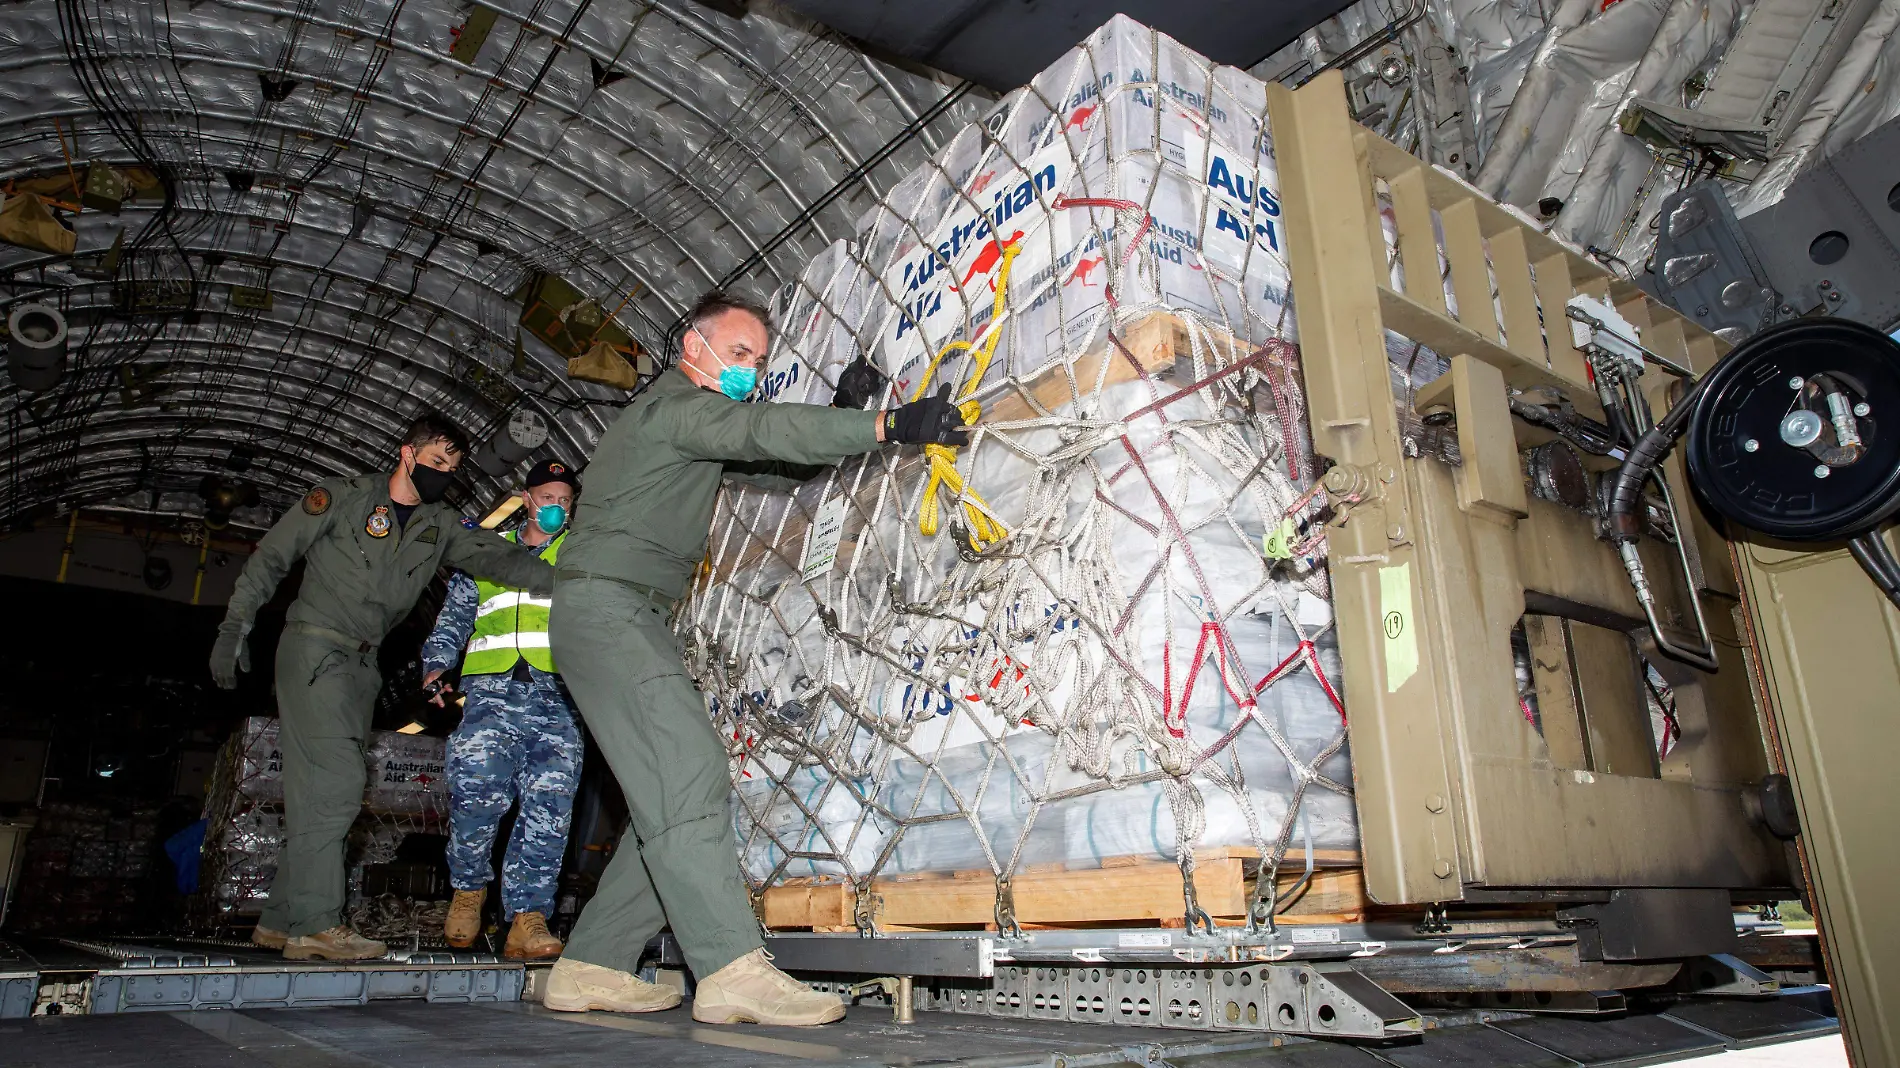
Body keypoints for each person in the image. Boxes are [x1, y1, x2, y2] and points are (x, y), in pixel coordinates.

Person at [540, 291, 967, 1025]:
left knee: (668, 799)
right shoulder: (673, 407)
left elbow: (777, 467)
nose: (751, 370)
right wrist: (889, 423)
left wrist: (838, 410)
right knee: (690, 773)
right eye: (739, 354)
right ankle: (730, 971)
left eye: (759, 361)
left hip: (627, 611)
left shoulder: (695, 426)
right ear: (691, 347)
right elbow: (763, 426)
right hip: (604, 607)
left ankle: (592, 964)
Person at [210, 414, 557, 962]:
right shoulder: (342, 499)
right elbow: (273, 556)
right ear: (407, 454)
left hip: (363, 667)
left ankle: (280, 921)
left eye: (453, 467)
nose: (444, 473)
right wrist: (236, 627)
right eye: (437, 461)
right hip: (315, 649)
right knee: (341, 783)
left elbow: (502, 559)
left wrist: (575, 581)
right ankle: (317, 925)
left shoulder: (439, 525)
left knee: (315, 792)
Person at [418, 459, 583, 961]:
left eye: (565, 500)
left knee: (549, 810)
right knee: (476, 794)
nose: (555, 507)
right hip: (493, 694)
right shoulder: (487, 551)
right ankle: (468, 894)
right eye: (547, 496)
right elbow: (455, 616)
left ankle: (528, 918)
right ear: (526, 497)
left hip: (559, 698)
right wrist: (435, 667)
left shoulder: (578, 554)